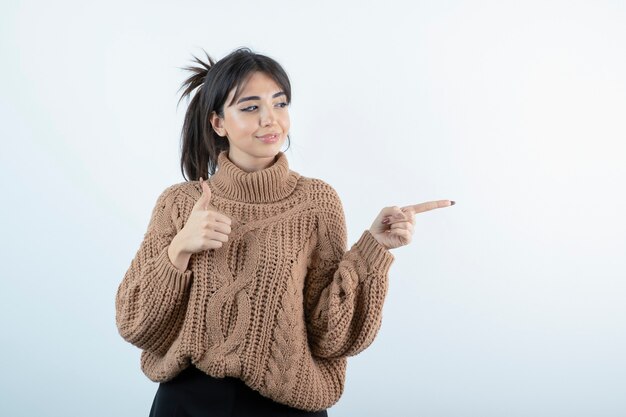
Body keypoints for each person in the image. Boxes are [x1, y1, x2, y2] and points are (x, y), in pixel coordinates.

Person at [115, 46, 455, 417]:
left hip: (287, 404)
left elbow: (329, 336)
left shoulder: (317, 202)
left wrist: (373, 247)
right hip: (190, 402)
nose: (270, 119)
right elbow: (136, 325)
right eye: (250, 107)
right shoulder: (179, 203)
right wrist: (179, 249)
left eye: (280, 104)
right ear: (218, 123)